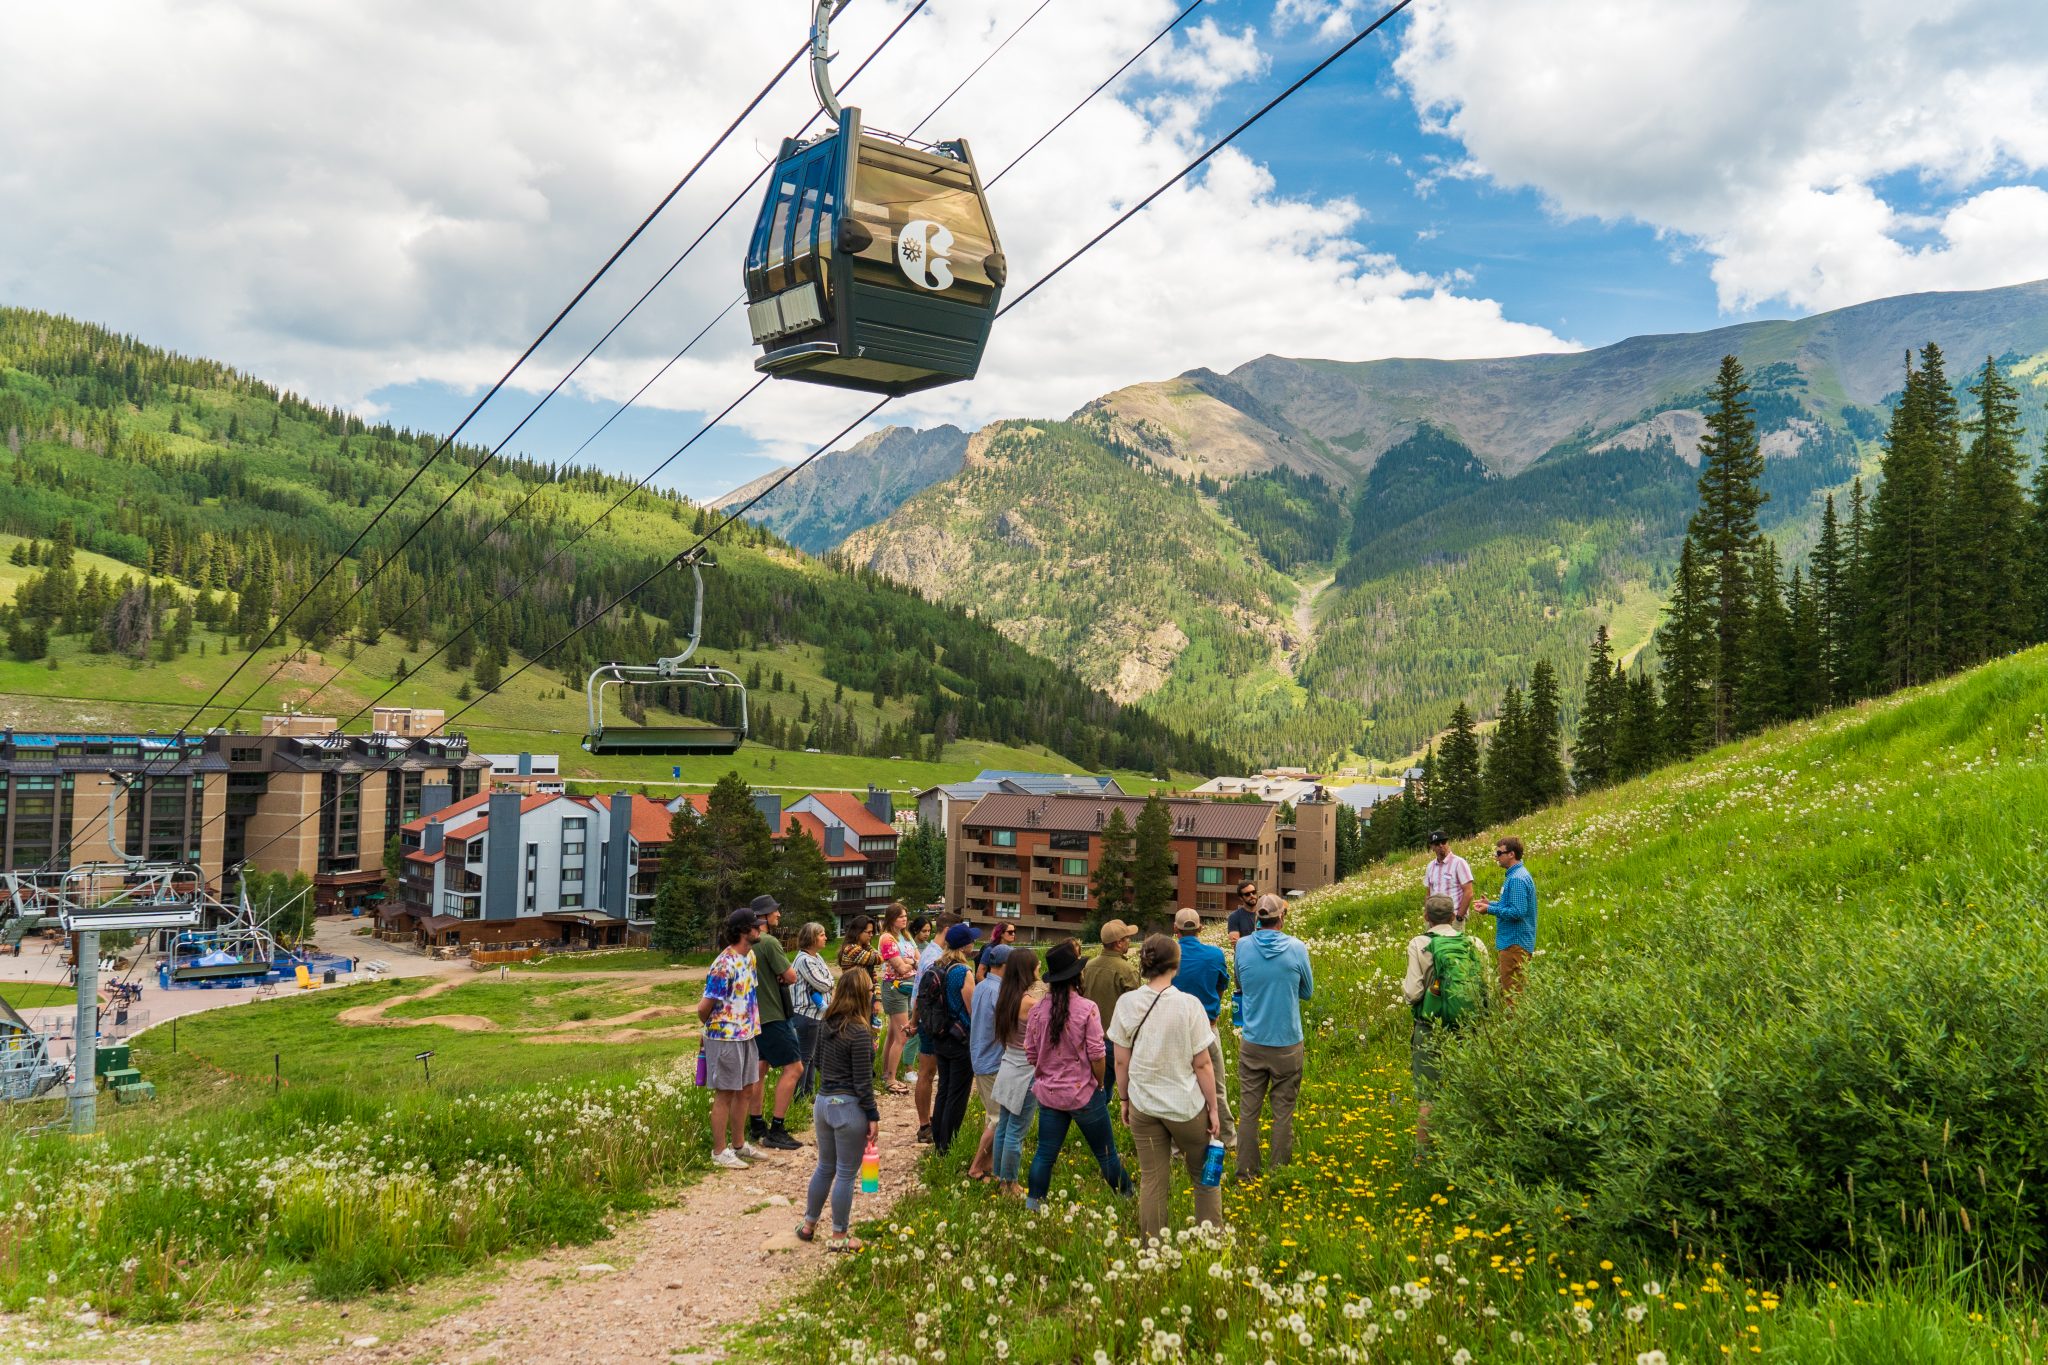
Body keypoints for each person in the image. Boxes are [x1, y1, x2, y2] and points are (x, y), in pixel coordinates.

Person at [1110, 934, 1223, 1243]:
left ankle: (1153, 1247)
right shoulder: (1189, 1005)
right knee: (1204, 1175)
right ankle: (1210, 1240)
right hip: (1185, 1105)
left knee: (1153, 1180)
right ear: (1176, 965)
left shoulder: (1127, 1003)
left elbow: (1121, 1060)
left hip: (1143, 1104)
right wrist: (1213, 1108)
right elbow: (1203, 1064)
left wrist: (1124, 1099)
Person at [1024, 940, 1134, 1211]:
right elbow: (1097, 1054)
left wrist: (1046, 1070)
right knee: (1105, 1154)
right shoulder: (1087, 1008)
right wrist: (1099, 1082)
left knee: (1045, 1154)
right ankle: (1127, 1197)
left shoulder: (1037, 1010)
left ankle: (1033, 1204)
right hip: (1083, 1091)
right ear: (1076, 975)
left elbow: (1030, 1052)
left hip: (1050, 1092)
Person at [796, 966, 880, 1253]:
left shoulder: (826, 1023)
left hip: (823, 1102)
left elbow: (818, 1062)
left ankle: (808, 1225)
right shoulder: (859, 1031)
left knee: (825, 1166)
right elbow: (863, 1081)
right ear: (862, 995)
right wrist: (872, 1115)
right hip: (848, 1107)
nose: (873, 995)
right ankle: (839, 1235)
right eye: (870, 990)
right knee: (845, 1173)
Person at [1233, 894, 1313, 1181]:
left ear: (1257, 918)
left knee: (1249, 1110)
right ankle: (1279, 1174)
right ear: (1281, 918)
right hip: (1287, 1042)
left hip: (1253, 1040)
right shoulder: (1296, 948)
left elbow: (1240, 984)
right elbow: (1307, 992)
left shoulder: (1243, 946)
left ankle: (1246, 1173)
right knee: (1283, 1111)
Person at [1403, 895, 1489, 1153]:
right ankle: (1466, 1153)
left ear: (1426, 917)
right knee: (1468, 1090)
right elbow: (1485, 988)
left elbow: (1413, 994)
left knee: (1428, 1096)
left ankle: (1423, 1158)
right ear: (1453, 917)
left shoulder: (1419, 943)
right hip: (1468, 1025)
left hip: (1430, 1026)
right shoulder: (1474, 944)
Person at [697, 908, 771, 1170]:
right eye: (755, 925)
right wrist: (710, 1032)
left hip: (747, 1033)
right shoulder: (723, 965)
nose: (760, 929)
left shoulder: (749, 957)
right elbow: (703, 1008)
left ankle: (739, 1145)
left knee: (746, 1088)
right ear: (743, 931)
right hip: (725, 1036)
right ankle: (719, 1152)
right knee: (725, 1092)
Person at [1170, 907, 1236, 1147]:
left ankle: (1178, 1145)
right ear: (1201, 928)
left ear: (1175, 929)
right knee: (1216, 1085)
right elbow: (1221, 986)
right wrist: (1212, 1007)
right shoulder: (1215, 955)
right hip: (1207, 1027)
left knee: (1178, 1086)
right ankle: (1227, 1138)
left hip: (1175, 1029)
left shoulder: (1168, 956)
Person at [749, 894, 805, 1151]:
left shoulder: (746, 944)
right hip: (773, 1014)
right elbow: (791, 976)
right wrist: (782, 975)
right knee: (794, 1068)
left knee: (759, 1069)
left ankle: (756, 1125)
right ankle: (777, 1129)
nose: (778, 914)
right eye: (774, 911)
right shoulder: (769, 942)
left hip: (753, 1017)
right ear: (763, 916)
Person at [987, 945, 1044, 1198]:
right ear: (1028, 971)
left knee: (1004, 1126)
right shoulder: (1030, 1003)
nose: (1039, 970)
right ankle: (1010, 1182)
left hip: (1009, 1063)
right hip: (1025, 1070)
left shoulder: (1006, 997)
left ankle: (1000, 1176)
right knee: (1016, 1131)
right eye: (1037, 967)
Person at [920, 922, 980, 1153]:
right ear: (964, 946)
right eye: (971, 940)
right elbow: (972, 1009)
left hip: (940, 1036)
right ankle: (948, 1145)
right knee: (958, 1093)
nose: (973, 943)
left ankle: (938, 1139)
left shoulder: (937, 965)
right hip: (960, 1037)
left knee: (944, 1089)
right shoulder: (963, 972)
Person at [963, 941, 1013, 1180]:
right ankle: (975, 1167)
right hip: (993, 1059)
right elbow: (1006, 1027)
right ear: (1005, 966)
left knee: (992, 1116)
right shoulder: (998, 992)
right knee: (998, 1119)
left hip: (980, 1055)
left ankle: (989, 1165)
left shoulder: (983, 986)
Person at [1080, 919, 1141, 1092]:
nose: (1129, 941)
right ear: (1119, 943)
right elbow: (1136, 1011)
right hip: (1115, 1042)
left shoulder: (1088, 966)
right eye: (1127, 938)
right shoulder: (1127, 970)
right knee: (1115, 1091)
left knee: (1093, 1090)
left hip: (1088, 1039)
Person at [1475, 836, 1537, 1004]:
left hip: (1514, 943)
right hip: (1515, 943)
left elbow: (1517, 912)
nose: (1496, 857)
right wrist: (1490, 904)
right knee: (1515, 992)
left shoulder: (1516, 879)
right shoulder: (1517, 875)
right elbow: (1512, 905)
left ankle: (1513, 1021)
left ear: (1511, 854)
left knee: (1512, 995)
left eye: (1499, 853)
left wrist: (1489, 910)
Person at [908, 912, 953, 1142]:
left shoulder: (934, 952)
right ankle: (924, 1125)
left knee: (931, 1072)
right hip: (930, 1021)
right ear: (947, 931)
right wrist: (915, 1021)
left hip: (930, 1019)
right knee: (927, 1073)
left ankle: (930, 1122)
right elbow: (922, 994)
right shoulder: (933, 957)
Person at [875, 903, 918, 1095]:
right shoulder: (887, 938)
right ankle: (891, 1079)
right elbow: (900, 968)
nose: (904, 919)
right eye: (901, 916)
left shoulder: (906, 936)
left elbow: (919, 960)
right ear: (892, 918)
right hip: (895, 988)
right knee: (902, 1034)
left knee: (893, 1034)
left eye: (906, 916)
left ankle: (887, 1073)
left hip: (908, 986)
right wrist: (911, 963)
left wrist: (911, 962)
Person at [792, 922, 834, 1101]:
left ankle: (808, 1094)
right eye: (821, 935)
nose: (825, 938)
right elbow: (823, 984)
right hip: (806, 1015)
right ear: (811, 938)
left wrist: (828, 982)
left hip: (815, 1015)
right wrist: (829, 983)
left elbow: (828, 979)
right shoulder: (805, 960)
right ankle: (799, 1097)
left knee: (810, 1057)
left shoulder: (816, 957)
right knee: (804, 1057)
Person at [837, 914, 883, 1032]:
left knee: (869, 1032)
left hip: (866, 997)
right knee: (858, 1032)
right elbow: (879, 958)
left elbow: (873, 976)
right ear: (858, 932)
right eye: (868, 932)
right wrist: (868, 946)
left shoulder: (863, 949)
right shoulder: (851, 949)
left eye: (872, 932)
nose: (871, 935)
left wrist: (877, 999)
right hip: (853, 999)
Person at [1225, 881, 1260, 1028]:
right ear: (1241, 898)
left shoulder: (1264, 914)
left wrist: (1245, 942)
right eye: (1247, 894)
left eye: (1253, 892)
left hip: (1263, 964)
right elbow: (1236, 945)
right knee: (1245, 1001)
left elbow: (1240, 943)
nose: (1252, 896)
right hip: (1243, 965)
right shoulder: (1235, 917)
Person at [1424, 830, 1475, 925]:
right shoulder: (1430, 866)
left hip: (1452, 918)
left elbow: (1469, 892)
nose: (1441, 846)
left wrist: (1459, 917)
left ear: (1448, 843)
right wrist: (1427, 914)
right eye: (1437, 844)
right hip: (1433, 919)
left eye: (1443, 842)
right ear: (1432, 847)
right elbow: (1428, 894)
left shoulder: (1459, 863)